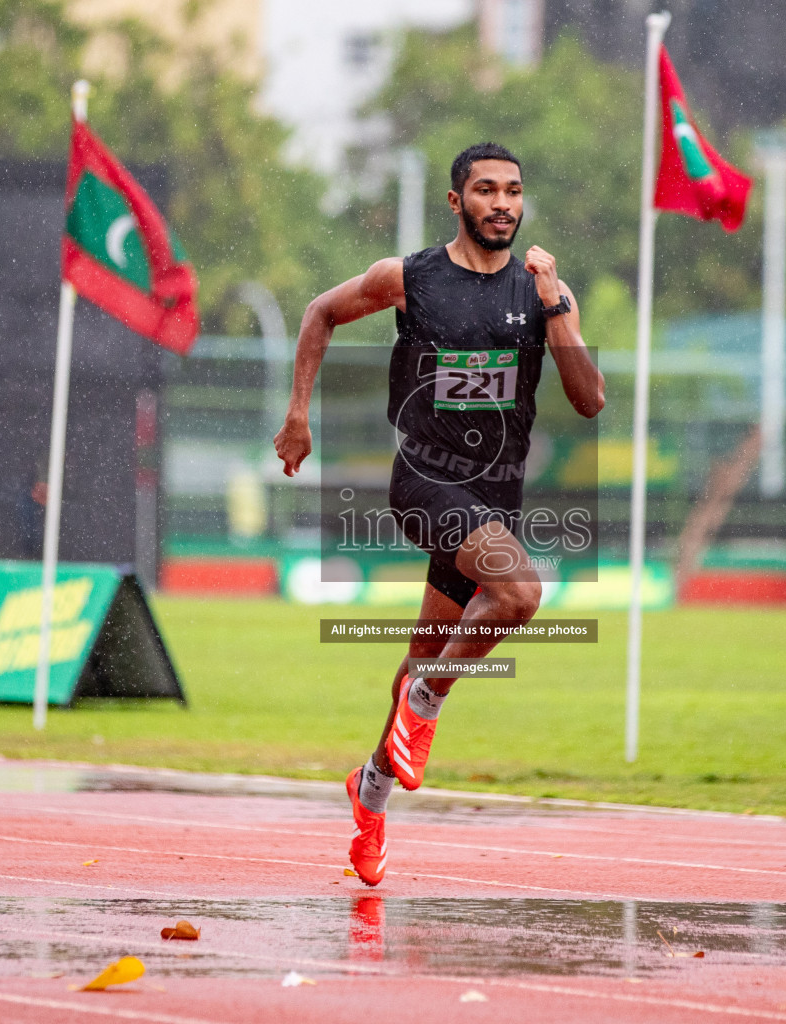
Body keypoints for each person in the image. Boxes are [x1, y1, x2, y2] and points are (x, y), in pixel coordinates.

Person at [274, 142, 604, 885]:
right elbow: (320, 312)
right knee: (518, 594)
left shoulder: (544, 289)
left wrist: (555, 306)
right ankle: (426, 708)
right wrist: (298, 415)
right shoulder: (411, 277)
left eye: (513, 191)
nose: (502, 204)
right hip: (423, 483)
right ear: (457, 202)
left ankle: (370, 790)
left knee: (421, 658)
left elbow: (589, 399)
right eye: (486, 191)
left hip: (496, 499)